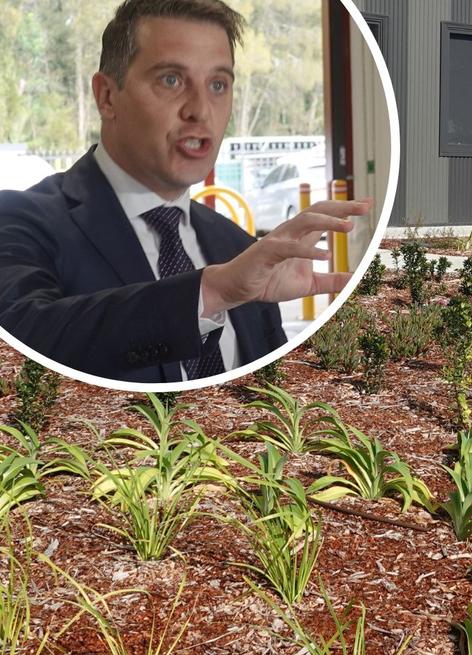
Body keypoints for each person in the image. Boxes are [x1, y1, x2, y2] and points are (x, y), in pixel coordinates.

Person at [0, 0, 371, 384]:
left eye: (217, 85)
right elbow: (23, 340)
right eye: (172, 80)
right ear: (107, 96)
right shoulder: (20, 220)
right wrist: (210, 292)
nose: (200, 110)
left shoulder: (239, 247)